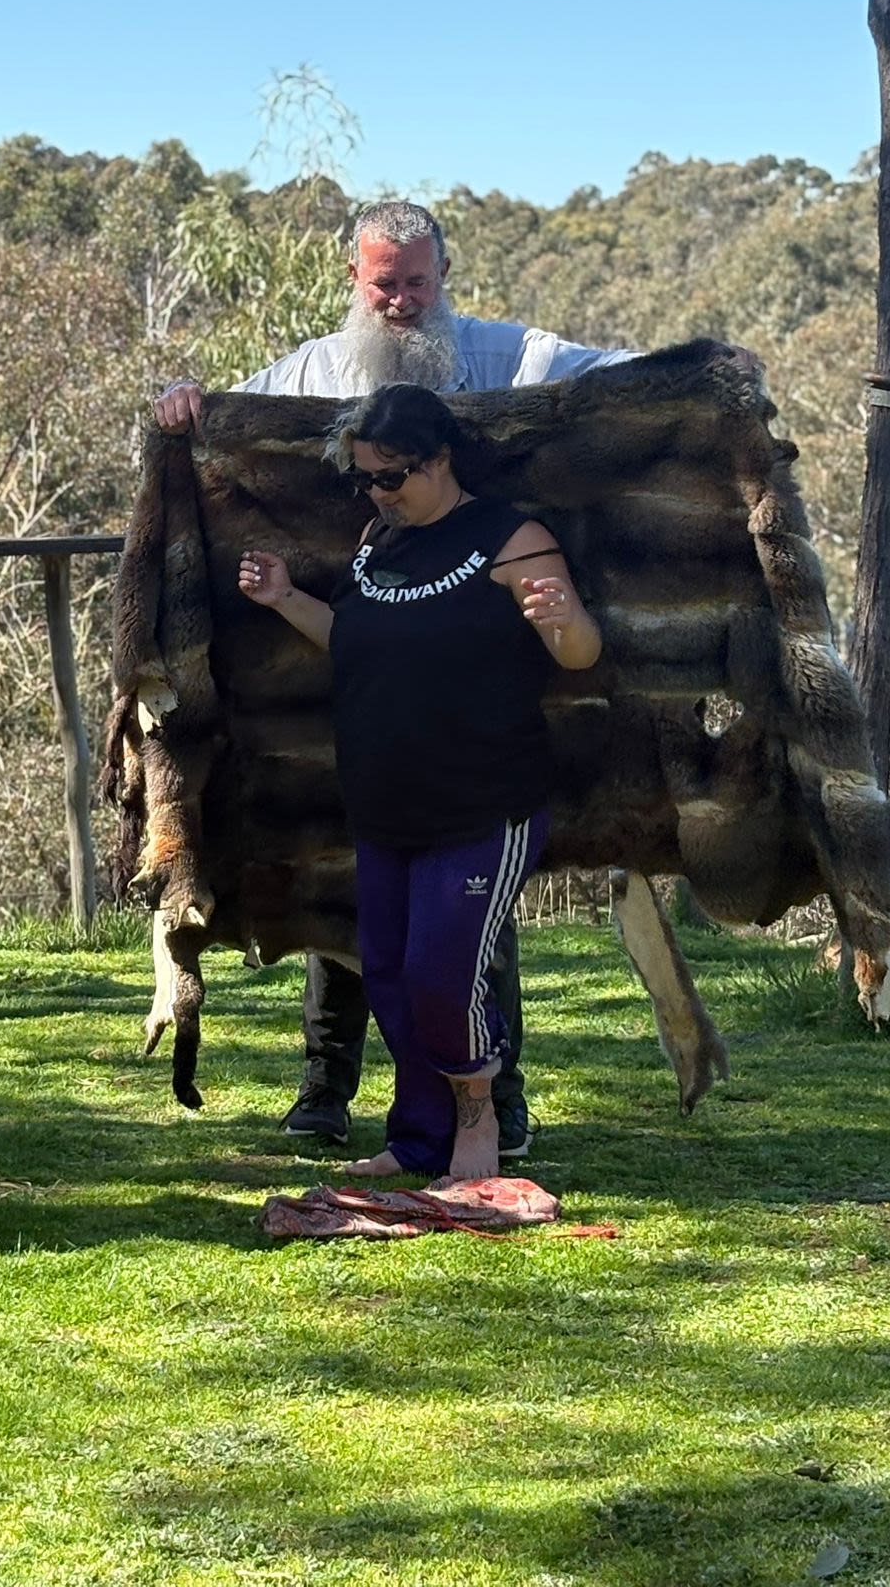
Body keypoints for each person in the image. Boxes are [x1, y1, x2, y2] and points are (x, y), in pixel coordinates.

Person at [154, 199, 632, 1154]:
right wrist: (184, 405)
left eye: (419, 281)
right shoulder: (318, 388)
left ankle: (491, 1117)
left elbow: (607, 377)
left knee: (457, 953)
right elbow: (228, 419)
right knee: (377, 940)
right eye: (386, 283)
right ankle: (341, 1098)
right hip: (370, 758)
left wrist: (708, 376)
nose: (404, 300)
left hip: (478, 776)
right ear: (354, 279)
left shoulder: (501, 372)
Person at [238, 383, 602, 1182]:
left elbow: (579, 652)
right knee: (394, 979)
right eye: (365, 477)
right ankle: (416, 1140)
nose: (377, 492)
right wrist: (285, 597)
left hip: (483, 803)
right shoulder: (378, 540)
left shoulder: (513, 540)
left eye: (392, 475)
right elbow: (358, 642)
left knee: (446, 974)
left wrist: (559, 618)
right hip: (383, 803)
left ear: (440, 460)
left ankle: (480, 1129)